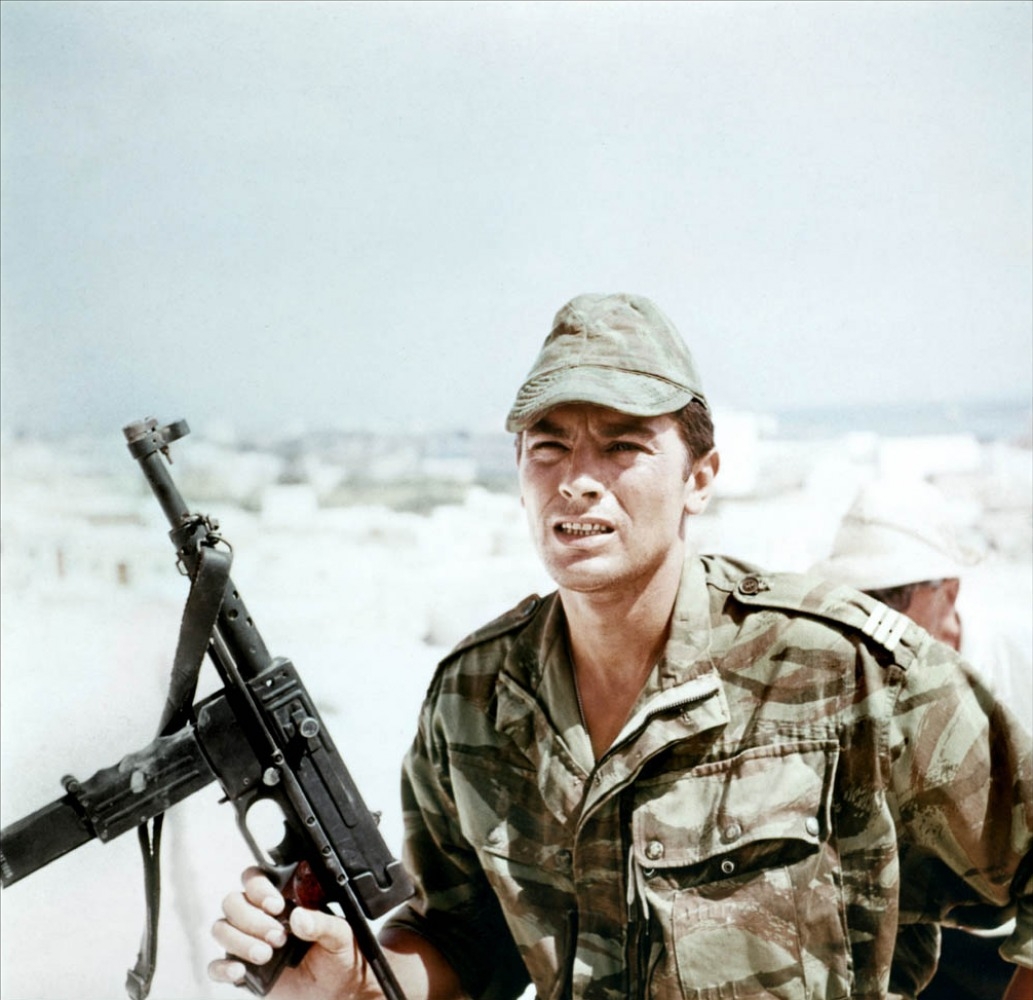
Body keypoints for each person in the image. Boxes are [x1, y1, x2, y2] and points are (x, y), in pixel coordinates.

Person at [209, 293, 1033, 1000]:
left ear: (698, 478)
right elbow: (463, 938)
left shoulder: (838, 669)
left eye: (621, 445)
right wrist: (354, 975)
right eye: (548, 447)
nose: (576, 479)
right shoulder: (474, 699)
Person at [811, 478, 1033, 999]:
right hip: (909, 944)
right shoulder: (846, 672)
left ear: (948, 592)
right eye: (861, 599)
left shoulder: (1019, 658)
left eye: (891, 597)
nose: (873, 618)